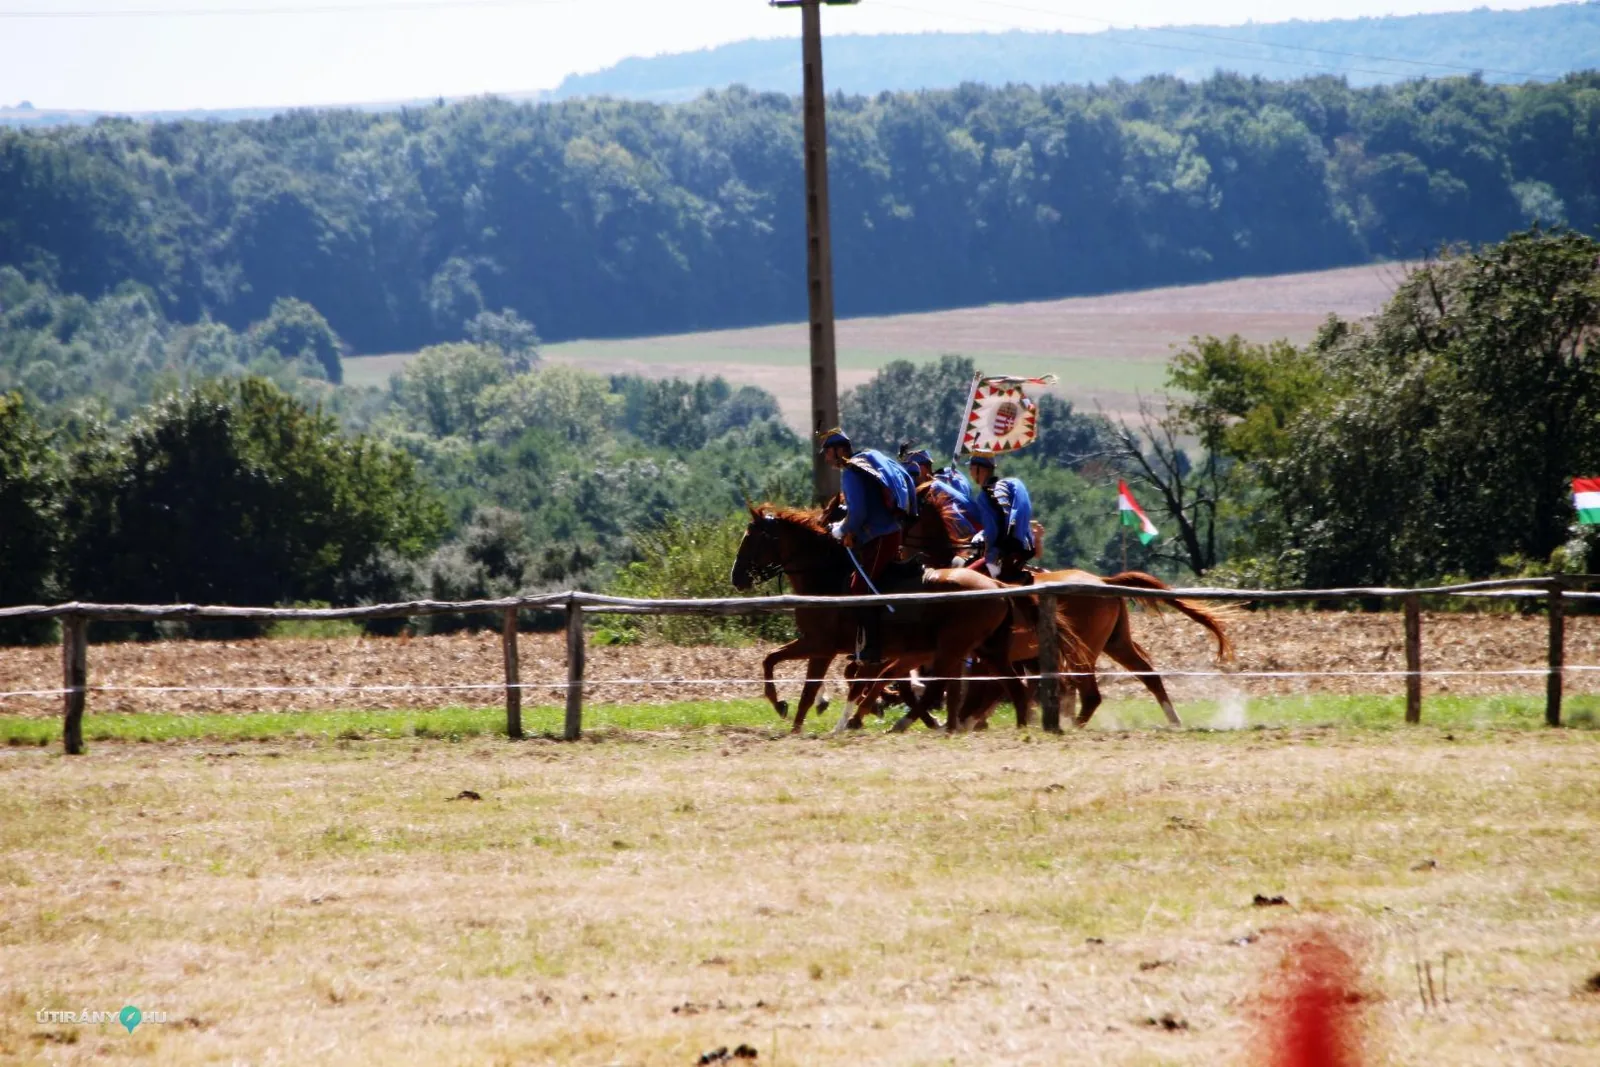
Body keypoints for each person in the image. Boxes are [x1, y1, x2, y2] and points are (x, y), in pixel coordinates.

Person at [818, 428, 916, 662]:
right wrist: (846, 527)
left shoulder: (851, 473)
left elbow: (858, 513)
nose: (826, 458)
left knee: (860, 588)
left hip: (882, 537)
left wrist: (840, 530)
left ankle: (873, 647)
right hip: (882, 535)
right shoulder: (859, 466)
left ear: (839, 450)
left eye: (828, 452)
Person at [899, 445, 981, 560]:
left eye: (915, 469)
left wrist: (970, 538)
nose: (911, 475)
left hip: (967, 538)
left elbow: (958, 514)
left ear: (925, 468)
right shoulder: (916, 490)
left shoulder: (937, 487)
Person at [966, 453, 1036, 580]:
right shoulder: (1002, 487)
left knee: (966, 575)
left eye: (971, 468)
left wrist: (989, 554)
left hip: (1004, 554)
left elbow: (993, 530)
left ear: (980, 469)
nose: (970, 472)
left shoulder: (985, 495)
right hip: (1023, 549)